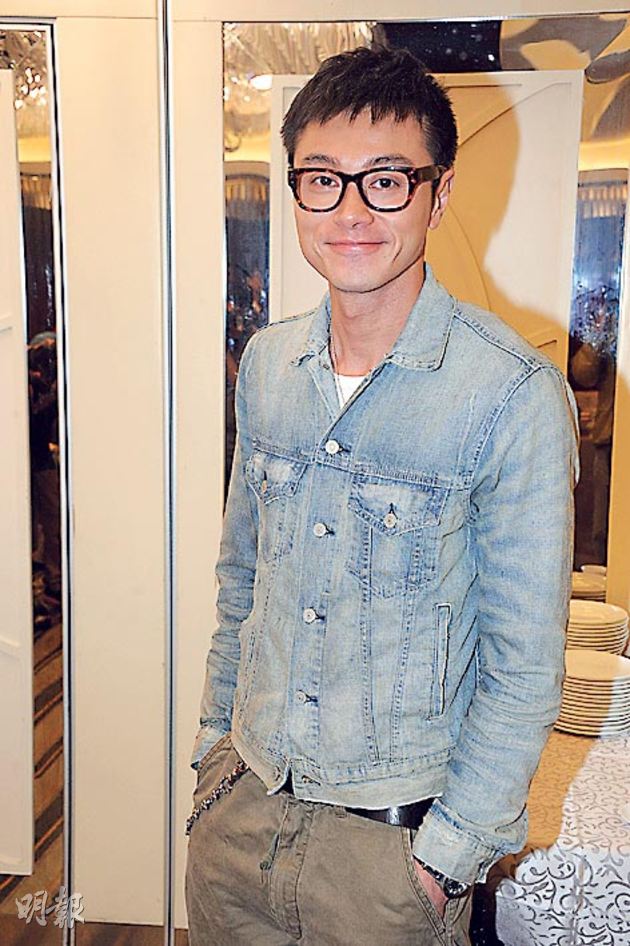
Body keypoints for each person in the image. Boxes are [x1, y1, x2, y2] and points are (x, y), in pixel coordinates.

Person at [185, 46, 579, 946]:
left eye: (387, 181)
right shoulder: (268, 366)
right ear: (295, 192)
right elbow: (241, 582)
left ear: (438, 196)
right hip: (241, 813)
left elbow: (523, 665)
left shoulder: (511, 395)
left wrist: (447, 859)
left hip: (390, 859)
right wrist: (212, 752)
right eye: (323, 179)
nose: (352, 211)